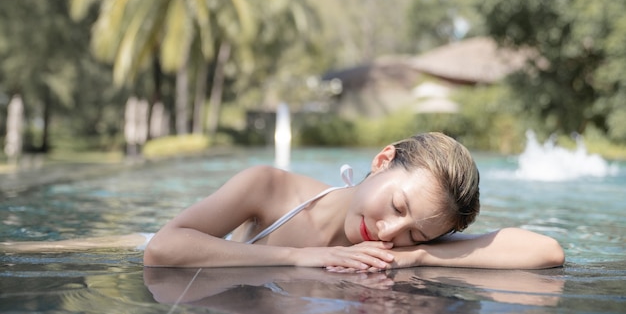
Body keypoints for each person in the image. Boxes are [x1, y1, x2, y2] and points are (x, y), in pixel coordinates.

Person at [2, 133, 565, 271]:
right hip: (186, 247)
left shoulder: (397, 250)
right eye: (396, 206)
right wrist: (297, 259)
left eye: (416, 232)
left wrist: (419, 257)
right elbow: (165, 249)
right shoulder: (270, 188)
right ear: (381, 160)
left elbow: (546, 252)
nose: (391, 233)